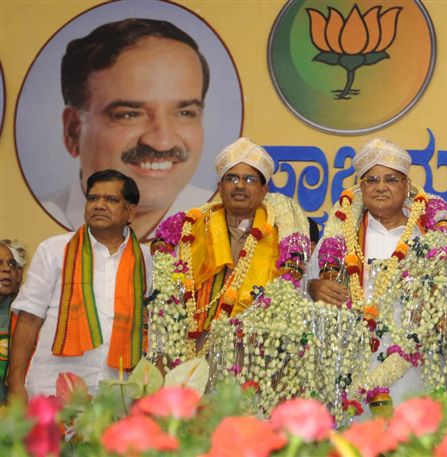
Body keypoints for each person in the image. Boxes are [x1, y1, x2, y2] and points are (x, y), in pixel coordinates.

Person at [306, 138, 447, 414]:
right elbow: (310, 280)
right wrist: (315, 287)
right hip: (353, 357)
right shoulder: (342, 231)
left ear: (406, 186)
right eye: (371, 180)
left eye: (391, 179)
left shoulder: (428, 236)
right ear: (361, 187)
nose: (380, 187)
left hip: (414, 361)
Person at [42, 18, 210, 238]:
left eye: (185, 113)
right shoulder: (34, 223)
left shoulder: (225, 226)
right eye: (130, 114)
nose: (162, 141)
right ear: (73, 130)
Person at [148, 138, 310, 362]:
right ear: (220, 188)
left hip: (258, 351)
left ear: (264, 190)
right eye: (231, 178)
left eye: (249, 179)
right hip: (195, 348)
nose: (240, 185)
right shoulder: (191, 229)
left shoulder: (282, 235)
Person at [8, 170, 152, 401]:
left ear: (130, 211)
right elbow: (29, 319)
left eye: (111, 200)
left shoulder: (147, 259)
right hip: (54, 387)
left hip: (119, 392)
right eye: (93, 198)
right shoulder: (54, 250)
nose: (99, 205)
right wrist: (15, 384)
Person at [0, 239, 28, 403]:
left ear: (19, 275)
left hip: (13, 413)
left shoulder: (27, 315)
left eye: (11, 265)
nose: (5, 269)